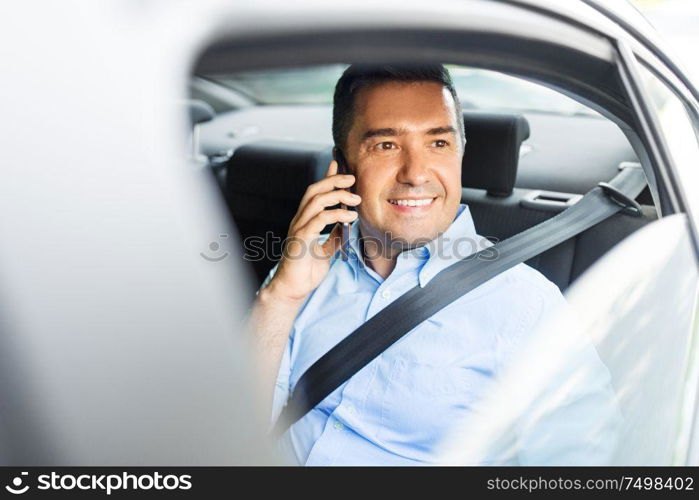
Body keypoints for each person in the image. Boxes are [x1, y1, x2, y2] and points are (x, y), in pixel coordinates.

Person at [249, 63, 620, 465]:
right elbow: (235, 425)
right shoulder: (302, 270)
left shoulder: (526, 307)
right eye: (385, 145)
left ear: (460, 154)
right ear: (342, 166)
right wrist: (279, 297)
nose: (415, 173)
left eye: (438, 144)